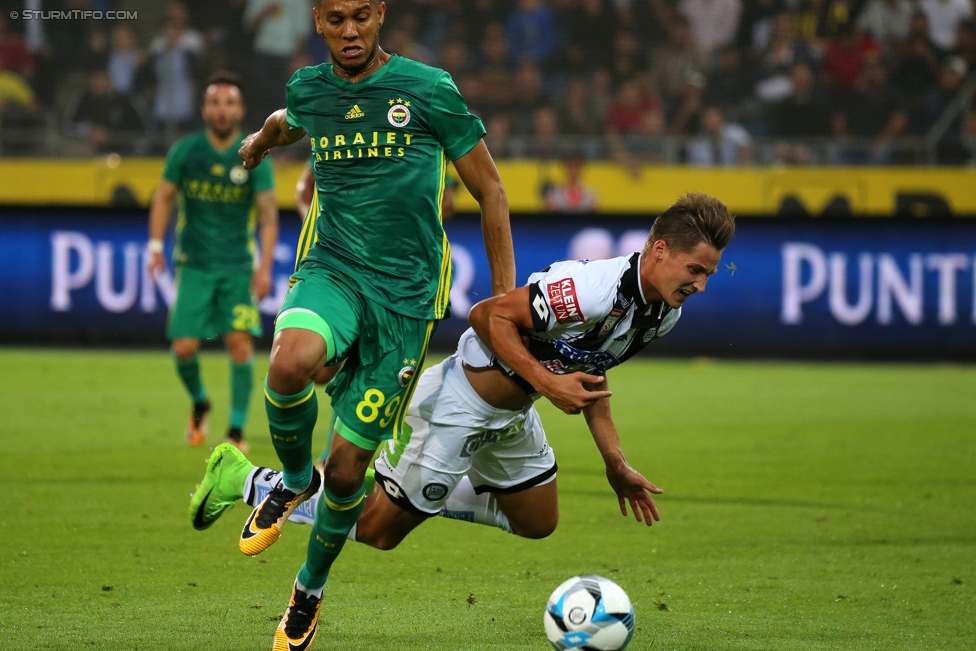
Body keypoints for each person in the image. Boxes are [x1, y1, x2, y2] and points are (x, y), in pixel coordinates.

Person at [189, 192, 735, 618]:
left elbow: (590, 376)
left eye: (708, 274)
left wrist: (614, 461)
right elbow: (487, 316)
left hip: (511, 415)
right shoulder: (592, 288)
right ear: (660, 249)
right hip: (457, 403)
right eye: (695, 270)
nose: (702, 285)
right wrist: (546, 382)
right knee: (379, 532)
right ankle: (246, 481)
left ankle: (424, 489)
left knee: (538, 521)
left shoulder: (662, 312)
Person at [233, 1, 516, 648]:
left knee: (351, 470)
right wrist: (256, 142)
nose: (350, 30)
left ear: (380, 13)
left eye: (361, 16)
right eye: (336, 19)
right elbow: (286, 122)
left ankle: (308, 587)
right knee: (287, 363)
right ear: (318, 22)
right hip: (332, 268)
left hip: (407, 299)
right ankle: (293, 479)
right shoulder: (311, 88)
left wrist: (503, 302)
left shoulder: (427, 89)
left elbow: (491, 191)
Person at [146, 71, 279, 452]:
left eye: (230, 103)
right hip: (194, 265)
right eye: (215, 102)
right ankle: (201, 401)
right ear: (204, 109)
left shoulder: (254, 154)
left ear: (241, 110)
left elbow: (268, 215)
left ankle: (235, 432)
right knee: (184, 348)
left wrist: (265, 267)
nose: (222, 110)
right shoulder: (186, 152)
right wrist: (155, 246)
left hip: (237, 267)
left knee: (240, 346)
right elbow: (163, 197)